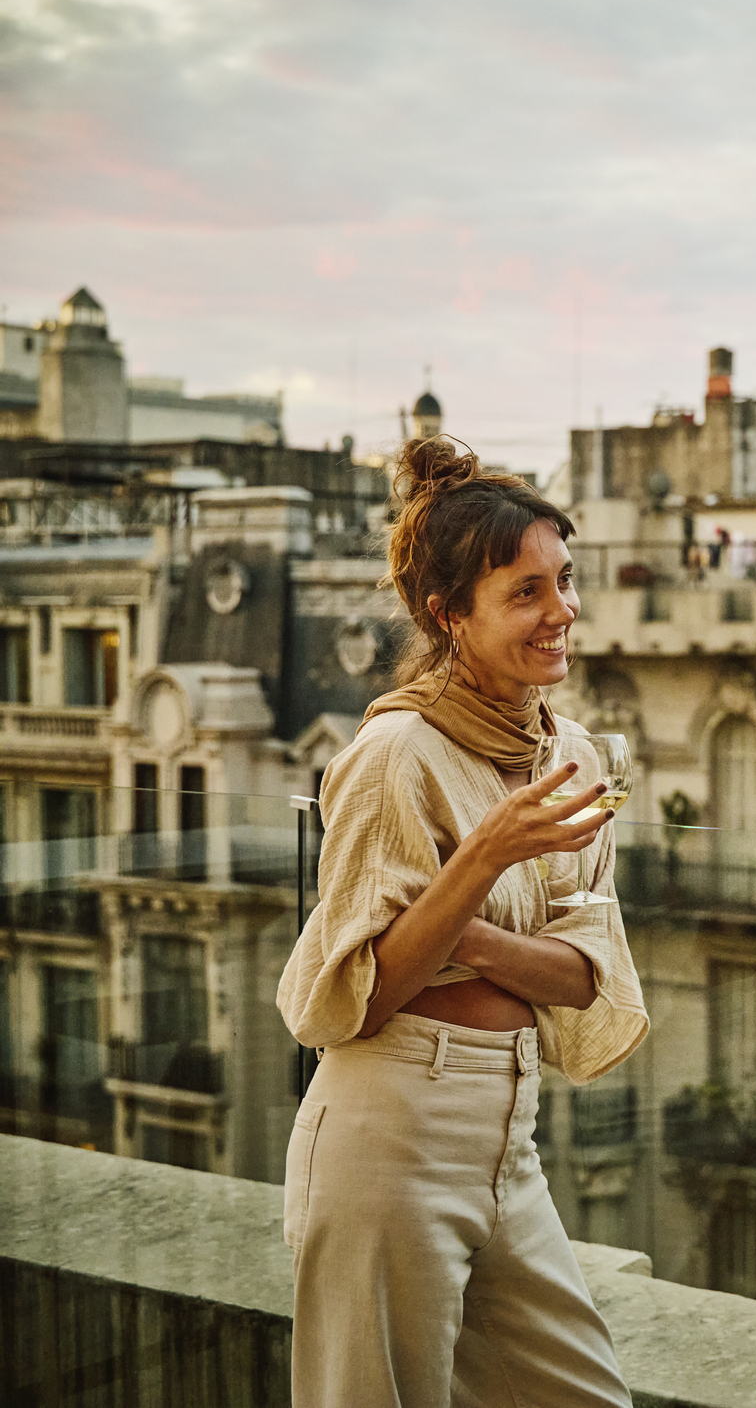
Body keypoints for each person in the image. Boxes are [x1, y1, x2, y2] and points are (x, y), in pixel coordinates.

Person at [277, 435, 649, 1407]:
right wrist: (486, 854)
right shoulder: (393, 754)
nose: (561, 611)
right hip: (388, 1134)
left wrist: (472, 938)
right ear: (450, 614)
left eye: (563, 582)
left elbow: (587, 979)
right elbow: (352, 1001)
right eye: (525, 592)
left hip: (508, 1136)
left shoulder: (574, 751)